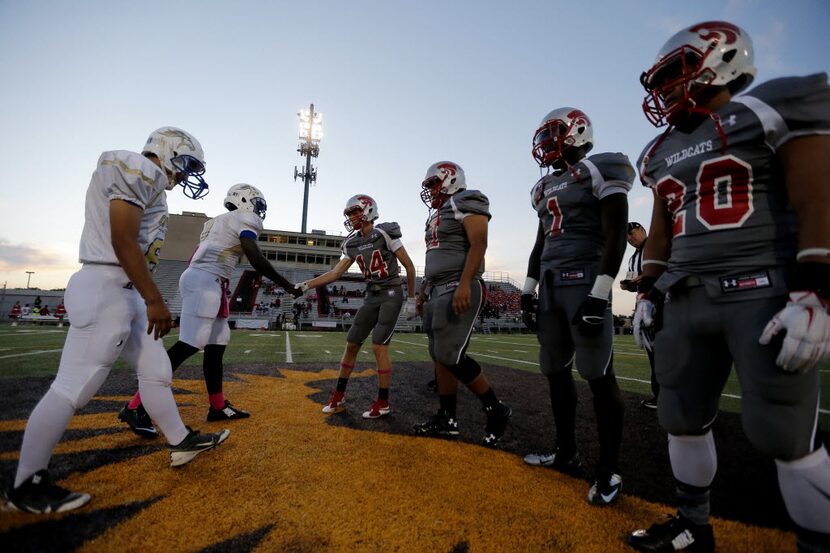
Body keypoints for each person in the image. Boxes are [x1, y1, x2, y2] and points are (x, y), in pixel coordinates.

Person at [628, 22, 830, 552]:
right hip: (684, 296)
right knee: (681, 420)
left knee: (783, 436)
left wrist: (815, 292)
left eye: (675, 71)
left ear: (721, 59)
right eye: (661, 79)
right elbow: (663, 229)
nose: (665, 88)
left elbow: (818, 200)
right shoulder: (657, 151)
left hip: (760, 293)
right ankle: (695, 525)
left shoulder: (768, 109)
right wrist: (647, 292)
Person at [4, 127, 230, 514]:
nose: (189, 173)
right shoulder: (137, 166)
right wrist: (154, 298)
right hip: (107, 284)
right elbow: (122, 238)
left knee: (156, 369)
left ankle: (179, 441)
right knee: (74, 385)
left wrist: (145, 298)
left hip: (124, 291)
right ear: (168, 150)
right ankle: (26, 484)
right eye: (188, 163)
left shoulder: (152, 183)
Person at [119, 184, 301, 436]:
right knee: (190, 343)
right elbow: (256, 259)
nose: (259, 210)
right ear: (245, 201)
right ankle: (136, 405)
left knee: (217, 342)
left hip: (209, 280)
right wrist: (288, 287)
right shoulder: (245, 219)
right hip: (206, 280)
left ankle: (217, 406)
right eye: (257, 204)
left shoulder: (219, 221)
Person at [519, 108, 633, 506]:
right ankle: (566, 452)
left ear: (577, 131)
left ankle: (609, 470)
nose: (544, 142)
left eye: (552, 132)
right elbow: (540, 243)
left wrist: (601, 293)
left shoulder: (601, 169)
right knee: (554, 370)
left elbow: (617, 231)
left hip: (584, 280)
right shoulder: (543, 187)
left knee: (598, 375)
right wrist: (528, 290)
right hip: (550, 286)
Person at [413, 161, 512, 446]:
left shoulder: (466, 199)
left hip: (459, 285)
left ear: (450, 179)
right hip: (436, 289)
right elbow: (435, 257)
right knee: (439, 355)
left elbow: (479, 243)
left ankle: (495, 408)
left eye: (433, 183)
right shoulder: (437, 214)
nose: (430, 190)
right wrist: (423, 292)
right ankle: (448, 419)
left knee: (449, 354)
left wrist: (466, 282)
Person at [297, 194, 417, 419]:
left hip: (391, 294)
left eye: (355, 212)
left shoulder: (384, 232)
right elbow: (335, 273)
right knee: (351, 344)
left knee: (379, 346)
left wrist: (411, 299)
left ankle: (383, 402)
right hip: (371, 296)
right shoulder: (351, 242)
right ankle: (338, 395)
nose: (351, 217)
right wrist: (305, 285)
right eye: (349, 213)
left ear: (368, 210)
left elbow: (409, 267)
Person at [620, 221, 658, 410]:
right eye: (627, 238)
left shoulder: (657, 245)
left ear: (642, 230)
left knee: (668, 351)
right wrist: (626, 284)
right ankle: (659, 395)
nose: (630, 240)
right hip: (643, 307)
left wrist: (642, 278)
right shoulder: (633, 258)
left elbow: (662, 269)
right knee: (653, 353)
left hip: (663, 303)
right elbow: (629, 284)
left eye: (632, 234)